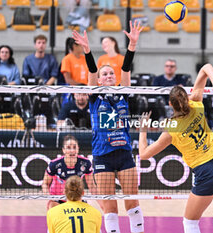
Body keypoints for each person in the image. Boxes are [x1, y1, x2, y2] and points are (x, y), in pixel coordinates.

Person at [138, 64, 213, 233]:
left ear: (170, 104)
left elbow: (144, 155)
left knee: (190, 223)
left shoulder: (171, 130)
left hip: (208, 171)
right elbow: (205, 68)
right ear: (186, 96)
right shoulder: (197, 104)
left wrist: (143, 130)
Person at [72, 21, 144, 233]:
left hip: (124, 154)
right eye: (105, 74)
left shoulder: (123, 92)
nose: (108, 76)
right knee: (110, 207)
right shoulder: (94, 96)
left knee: (132, 202)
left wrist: (132, 46)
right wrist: (87, 49)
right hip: (102, 154)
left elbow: (126, 68)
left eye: (111, 74)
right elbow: (92, 71)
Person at [42, 135, 99, 210]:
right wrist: (50, 197)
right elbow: (45, 184)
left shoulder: (85, 163)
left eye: (74, 147)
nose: (72, 150)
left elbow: (91, 185)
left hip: (76, 199)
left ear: (78, 149)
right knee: (52, 208)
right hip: (58, 199)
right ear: (63, 150)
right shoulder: (55, 164)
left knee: (88, 212)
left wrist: (101, 200)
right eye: (68, 148)